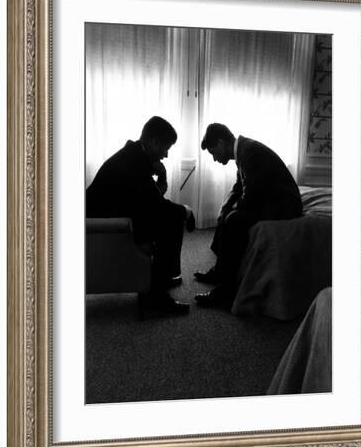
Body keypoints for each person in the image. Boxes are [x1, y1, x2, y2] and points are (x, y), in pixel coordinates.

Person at [86, 116, 195, 314]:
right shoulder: (134, 163)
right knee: (172, 220)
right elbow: (157, 206)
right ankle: (155, 299)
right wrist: (186, 211)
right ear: (154, 142)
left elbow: (148, 200)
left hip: (114, 215)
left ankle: (162, 279)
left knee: (169, 217)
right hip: (106, 226)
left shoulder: (135, 155)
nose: (166, 155)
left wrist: (162, 178)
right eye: (166, 148)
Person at [194, 123, 303, 307]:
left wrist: (232, 211)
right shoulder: (244, 150)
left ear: (221, 143)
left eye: (213, 153)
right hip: (270, 198)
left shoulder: (250, 152)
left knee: (235, 220)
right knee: (227, 214)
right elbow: (240, 187)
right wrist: (226, 207)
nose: (214, 159)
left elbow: (251, 195)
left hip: (284, 206)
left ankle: (227, 292)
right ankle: (219, 272)